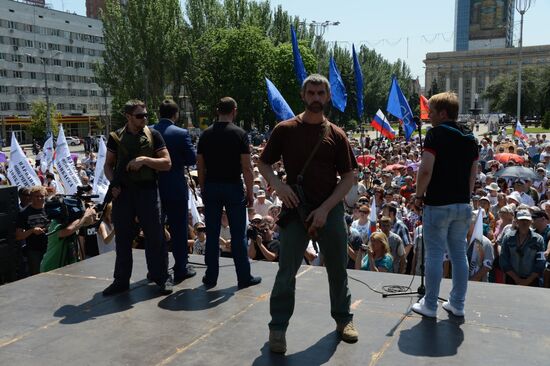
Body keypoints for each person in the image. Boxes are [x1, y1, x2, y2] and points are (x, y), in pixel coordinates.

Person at [258, 74, 359, 353]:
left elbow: (349, 177)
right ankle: (277, 328)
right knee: (286, 270)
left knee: (338, 268)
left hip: (330, 210)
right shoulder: (285, 129)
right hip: (295, 210)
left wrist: (326, 209)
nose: (316, 98)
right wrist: (278, 187)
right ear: (303, 96)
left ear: (327, 97)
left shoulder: (336, 134)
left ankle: (343, 319)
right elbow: (264, 163)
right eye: (311, 93)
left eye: (320, 93)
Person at [412, 91, 478, 318]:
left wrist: (418, 196)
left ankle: (430, 305)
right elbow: (473, 174)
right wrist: (465, 197)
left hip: (438, 204)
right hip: (463, 204)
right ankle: (457, 304)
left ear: (442, 113)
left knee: (434, 255)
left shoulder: (435, 134)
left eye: (431, 111)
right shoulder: (470, 137)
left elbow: (426, 169)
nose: (428, 116)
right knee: (459, 255)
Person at [102, 99, 173, 296]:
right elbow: (108, 165)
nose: (144, 119)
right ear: (128, 116)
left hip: (147, 191)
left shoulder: (153, 135)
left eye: (145, 115)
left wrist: (144, 160)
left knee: (155, 236)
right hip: (124, 193)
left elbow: (167, 163)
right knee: (123, 238)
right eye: (139, 115)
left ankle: (161, 277)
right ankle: (121, 280)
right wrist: (113, 184)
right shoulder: (116, 137)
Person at [196, 96, 261, 289]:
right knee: (239, 233)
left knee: (213, 233)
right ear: (234, 110)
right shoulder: (240, 134)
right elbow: (247, 167)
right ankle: (243, 277)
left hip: (212, 186)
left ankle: (210, 277)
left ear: (217, 111)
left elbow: (200, 165)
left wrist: (203, 187)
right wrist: (250, 192)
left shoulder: (205, 134)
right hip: (233, 186)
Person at [151, 99, 197, 283]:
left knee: (155, 229)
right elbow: (191, 158)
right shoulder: (180, 133)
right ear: (175, 114)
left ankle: (157, 269)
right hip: (175, 187)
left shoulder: (148, 130)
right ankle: (181, 268)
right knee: (179, 229)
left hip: (153, 188)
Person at [40, 199, 96, 272]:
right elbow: (69, 230)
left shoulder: (71, 222)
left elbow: (88, 223)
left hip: (66, 267)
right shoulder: (55, 224)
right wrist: (85, 216)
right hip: (51, 267)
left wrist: (90, 213)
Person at [499, 210, 545, 286]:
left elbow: (540, 262)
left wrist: (528, 280)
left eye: (527, 220)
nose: (525, 223)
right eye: (522, 220)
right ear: (516, 221)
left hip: (532, 281)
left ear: (531, 222)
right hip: (511, 279)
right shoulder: (508, 237)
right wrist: (516, 279)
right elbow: (503, 260)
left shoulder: (538, 239)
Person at [15, 186, 49, 275]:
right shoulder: (24, 213)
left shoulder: (50, 209)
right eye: (36, 196)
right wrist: (32, 230)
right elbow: (18, 236)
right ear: (31, 197)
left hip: (50, 248)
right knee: (36, 276)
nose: (40, 198)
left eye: (42, 196)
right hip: (34, 251)